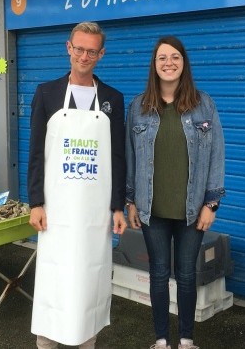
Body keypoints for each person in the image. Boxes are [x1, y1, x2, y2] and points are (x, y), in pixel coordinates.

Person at [27, 21, 128, 349]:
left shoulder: (113, 98)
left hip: (95, 213)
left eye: (92, 51)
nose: (85, 56)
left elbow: (117, 158)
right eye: (79, 48)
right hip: (56, 211)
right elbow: (36, 153)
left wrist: (117, 207)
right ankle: (46, 343)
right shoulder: (46, 93)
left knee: (89, 278)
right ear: (68, 48)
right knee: (54, 278)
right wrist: (36, 202)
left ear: (101, 54)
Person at [125, 36, 225, 349]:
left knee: (185, 275)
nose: (169, 63)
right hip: (152, 209)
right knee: (157, 274)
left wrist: (212, 203)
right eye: (162, 58)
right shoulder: (139, 107)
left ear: (184, 63)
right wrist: (130, 201)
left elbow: (217, 154)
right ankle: (160, 340)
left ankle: (185, 340)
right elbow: (130, 157)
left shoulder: (203, 104)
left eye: (175, 57)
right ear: (154, 66)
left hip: (192, 209)